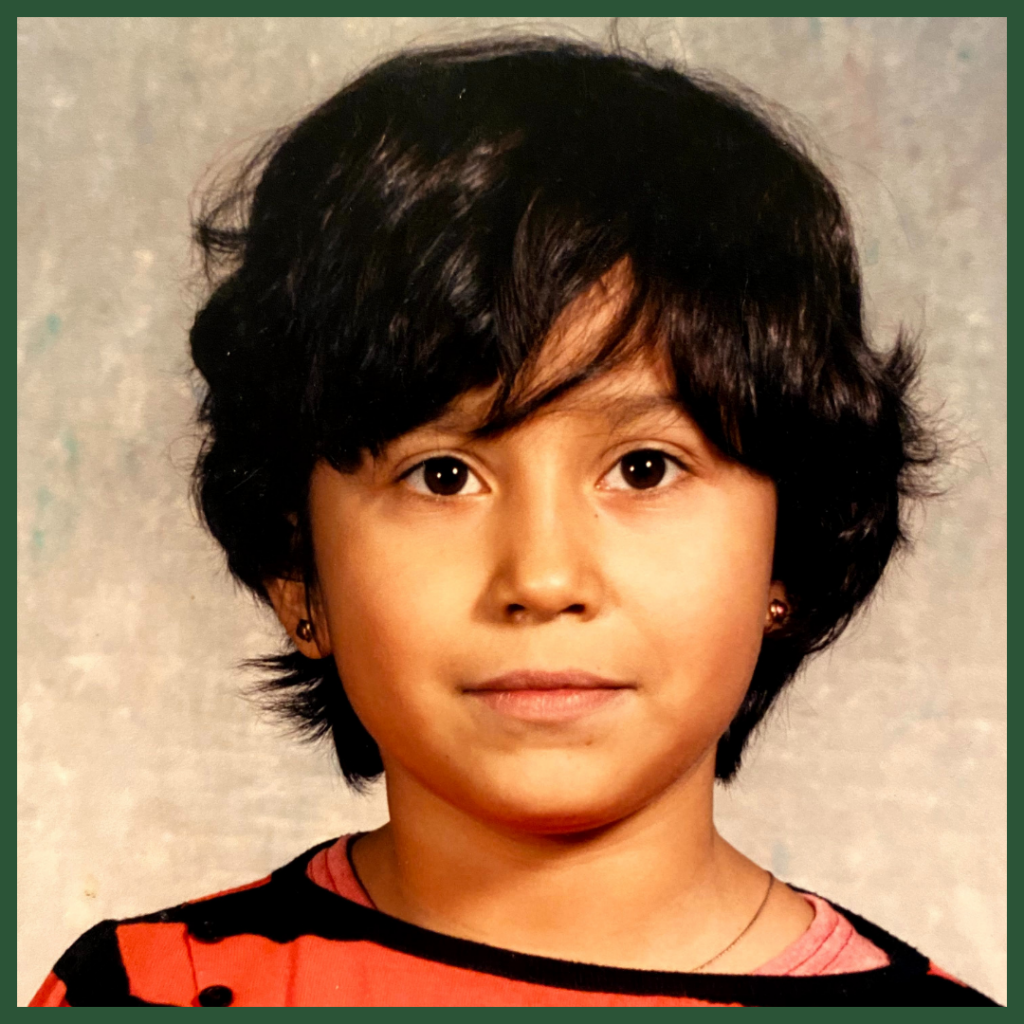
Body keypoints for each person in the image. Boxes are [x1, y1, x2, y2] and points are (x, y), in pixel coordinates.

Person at [30, 36, 997, 1006]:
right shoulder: (145, 991)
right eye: (443, 474)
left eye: (643, 467)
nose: (541, 576)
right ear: (297, 570)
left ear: (787, 552)